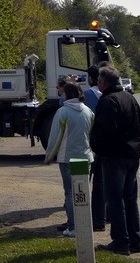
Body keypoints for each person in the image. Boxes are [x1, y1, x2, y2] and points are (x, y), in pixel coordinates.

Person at [91, 65, 140, 256]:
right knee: (130, 199)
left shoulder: (107, 100)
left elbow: (105, 131)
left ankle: (121, 242)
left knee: (115, 200)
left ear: (104, 82)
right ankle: (135, 241)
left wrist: (97, 147)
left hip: (114, 157)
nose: (97, 83)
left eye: (99, 80)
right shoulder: (130, 97)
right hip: (132, 155)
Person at [43, 81, 94, 237]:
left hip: (67, 158)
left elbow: (54, 138)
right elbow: (91, 135)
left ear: (66, 94)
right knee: (83, 191)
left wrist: (49, 156)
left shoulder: (62, 112)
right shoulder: (88, 111)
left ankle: (72, 227)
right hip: (86, 157)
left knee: (70, 193)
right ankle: (84, 224)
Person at [83, 65, 105, 232]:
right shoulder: (106, 94)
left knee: (87, 177)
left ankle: (87, 210)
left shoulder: (88, 94)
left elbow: (64, 101)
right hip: (105, 141)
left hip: (90, 140)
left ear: (91, 78)